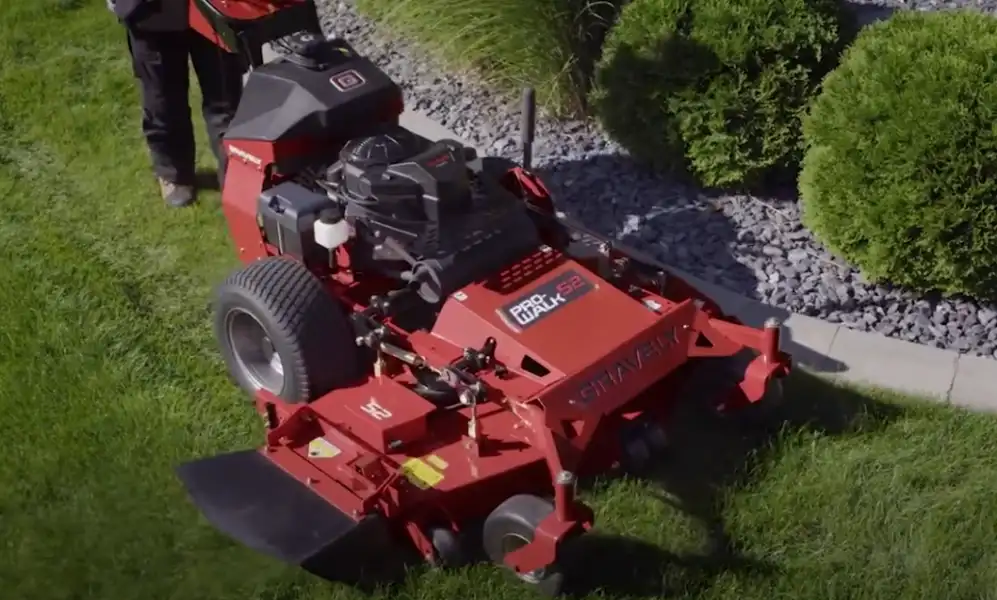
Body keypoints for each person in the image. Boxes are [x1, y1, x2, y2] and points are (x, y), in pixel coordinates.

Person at [108, 0, 246, 207]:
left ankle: (235, 171)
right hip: (150, 12)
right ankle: (173, 173)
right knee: (162, 98)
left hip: (212, 8)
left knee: (225, 98)